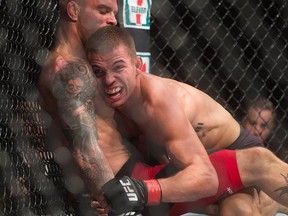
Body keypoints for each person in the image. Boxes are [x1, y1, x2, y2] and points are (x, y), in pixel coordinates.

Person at [85, 26, 288, 216]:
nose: (109, 79)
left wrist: (143, 190)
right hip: (192, 165)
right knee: (237, 209)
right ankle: (268, 200)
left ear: (137, 66)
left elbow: (205, 176)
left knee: (254, 169)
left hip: (235, 150)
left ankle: (267, 198)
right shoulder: (106, 102)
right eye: (99, 72)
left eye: (118, 67)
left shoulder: (157, 101)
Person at [38, 0, 120, 200]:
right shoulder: (67, 69)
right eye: (103, 11)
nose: (113, 21)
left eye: (114, 13)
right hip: (100, 194)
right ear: (73, 11)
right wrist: (118, 204)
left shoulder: (90, 65)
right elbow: (87, 153)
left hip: (125, 182)